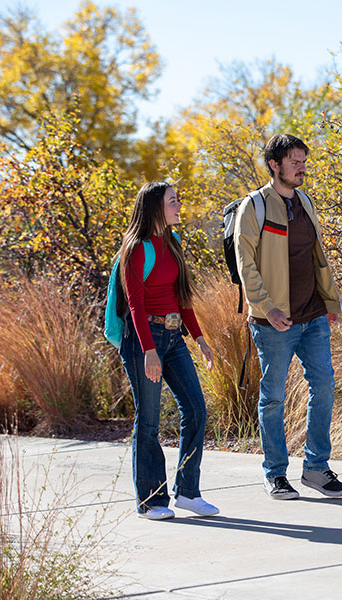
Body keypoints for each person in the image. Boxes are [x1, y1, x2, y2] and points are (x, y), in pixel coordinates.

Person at [234, 134, 342, 500]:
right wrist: (267, 307)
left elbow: (317, 255)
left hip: (313, 315)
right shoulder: (254, 207)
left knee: (325, 386)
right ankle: (275, 473)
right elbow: (245, 263)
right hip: (274, 321)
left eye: (303, 161)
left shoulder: (305, 202)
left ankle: (316, 468)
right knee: (273, 398)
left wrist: (330, 301)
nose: (301, 168)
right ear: (274, 165)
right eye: (294, 162)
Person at [117, 181, 219, 519]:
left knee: (196, 409)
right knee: (147, 421)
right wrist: (149, 351)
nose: (179, 206)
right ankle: (151, 501)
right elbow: (135, 305)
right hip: (144, 338)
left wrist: (200, 338)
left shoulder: (172, 242)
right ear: (155, 207)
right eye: (173, 201)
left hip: (174, 338)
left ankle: (188, 492)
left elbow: (182, 296)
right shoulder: (136, 247)